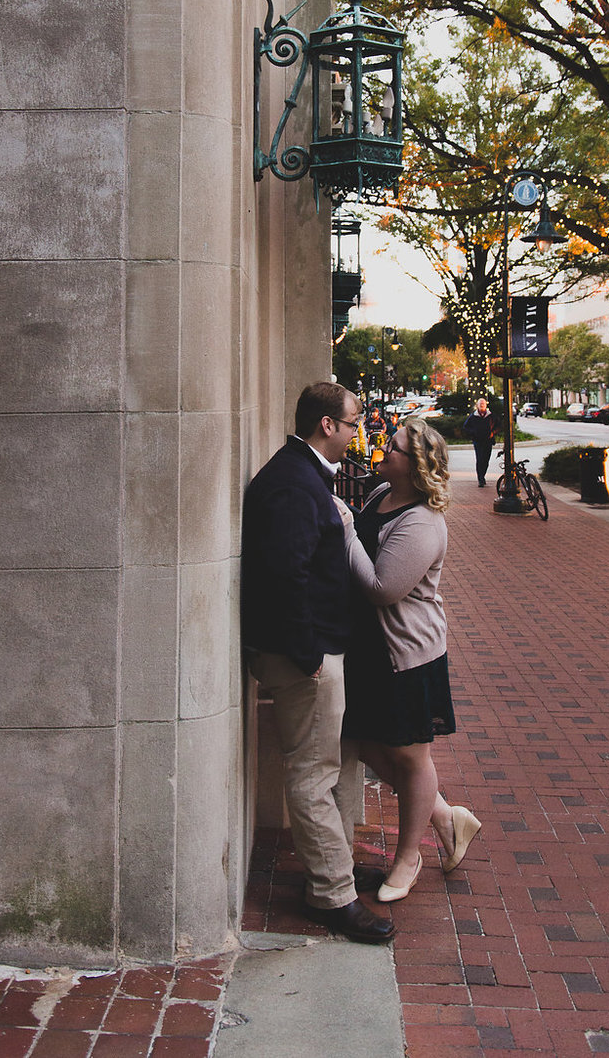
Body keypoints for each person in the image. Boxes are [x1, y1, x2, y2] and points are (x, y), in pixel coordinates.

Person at [241, 382, 395, 944]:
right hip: (305, 657)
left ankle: (337, 872)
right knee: (312, 774)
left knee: (330, 766)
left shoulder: (301, 476)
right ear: (327, 425)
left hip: (318, 650)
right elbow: (287, 577)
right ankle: (332, 896)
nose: (358, 431)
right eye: (353, 422)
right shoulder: (291, 484)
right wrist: (307, 653)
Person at [339, 417, 481, 901]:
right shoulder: (383, 495)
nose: (384, 449)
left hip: (405, 652)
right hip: (368, 648)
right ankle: (445, 816)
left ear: (413, 465)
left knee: (410, 754)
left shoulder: (421, 521)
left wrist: (344, 529)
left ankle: (409, 858)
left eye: (393, 447)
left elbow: (383, 589)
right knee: (363, 742)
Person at [463, 396, 497, 487]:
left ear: (486, 405)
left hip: (488, 441)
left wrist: (493, 433)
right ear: (477, 405)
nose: (482, 405)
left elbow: (498, 425)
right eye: (480, 404)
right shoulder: (473, 417)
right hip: (478, 441)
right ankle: (480, 479)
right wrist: (473, 433)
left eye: (483, 404)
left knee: (486, 460)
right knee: (480, 459)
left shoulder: (491, 416)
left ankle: (483, 476)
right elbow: (466, 427)